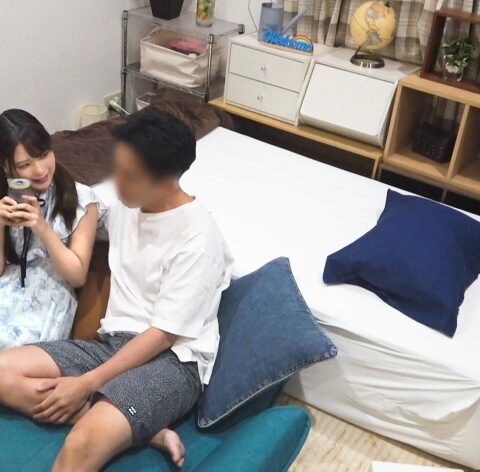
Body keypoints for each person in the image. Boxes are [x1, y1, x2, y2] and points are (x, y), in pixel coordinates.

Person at [0, 108, 233, 471]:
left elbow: (163, 335)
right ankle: (145, 430)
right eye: (116, 169)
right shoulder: (127, 206)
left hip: (171, 360)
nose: (116, 184)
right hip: (111, 345)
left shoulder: (198, 240)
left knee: (81, 444)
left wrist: (86, 383)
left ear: (165, 180)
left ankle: (112, 415)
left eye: (128, 176)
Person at [0, 109, 105, 349]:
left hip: (49, 296)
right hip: (7, 288)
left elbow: (77, 276)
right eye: (25, 165)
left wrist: (43, 229)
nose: (40, 170)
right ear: (6, 168)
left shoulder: (81, 200)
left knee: (13, 348)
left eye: (43, 154)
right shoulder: (5, 196)